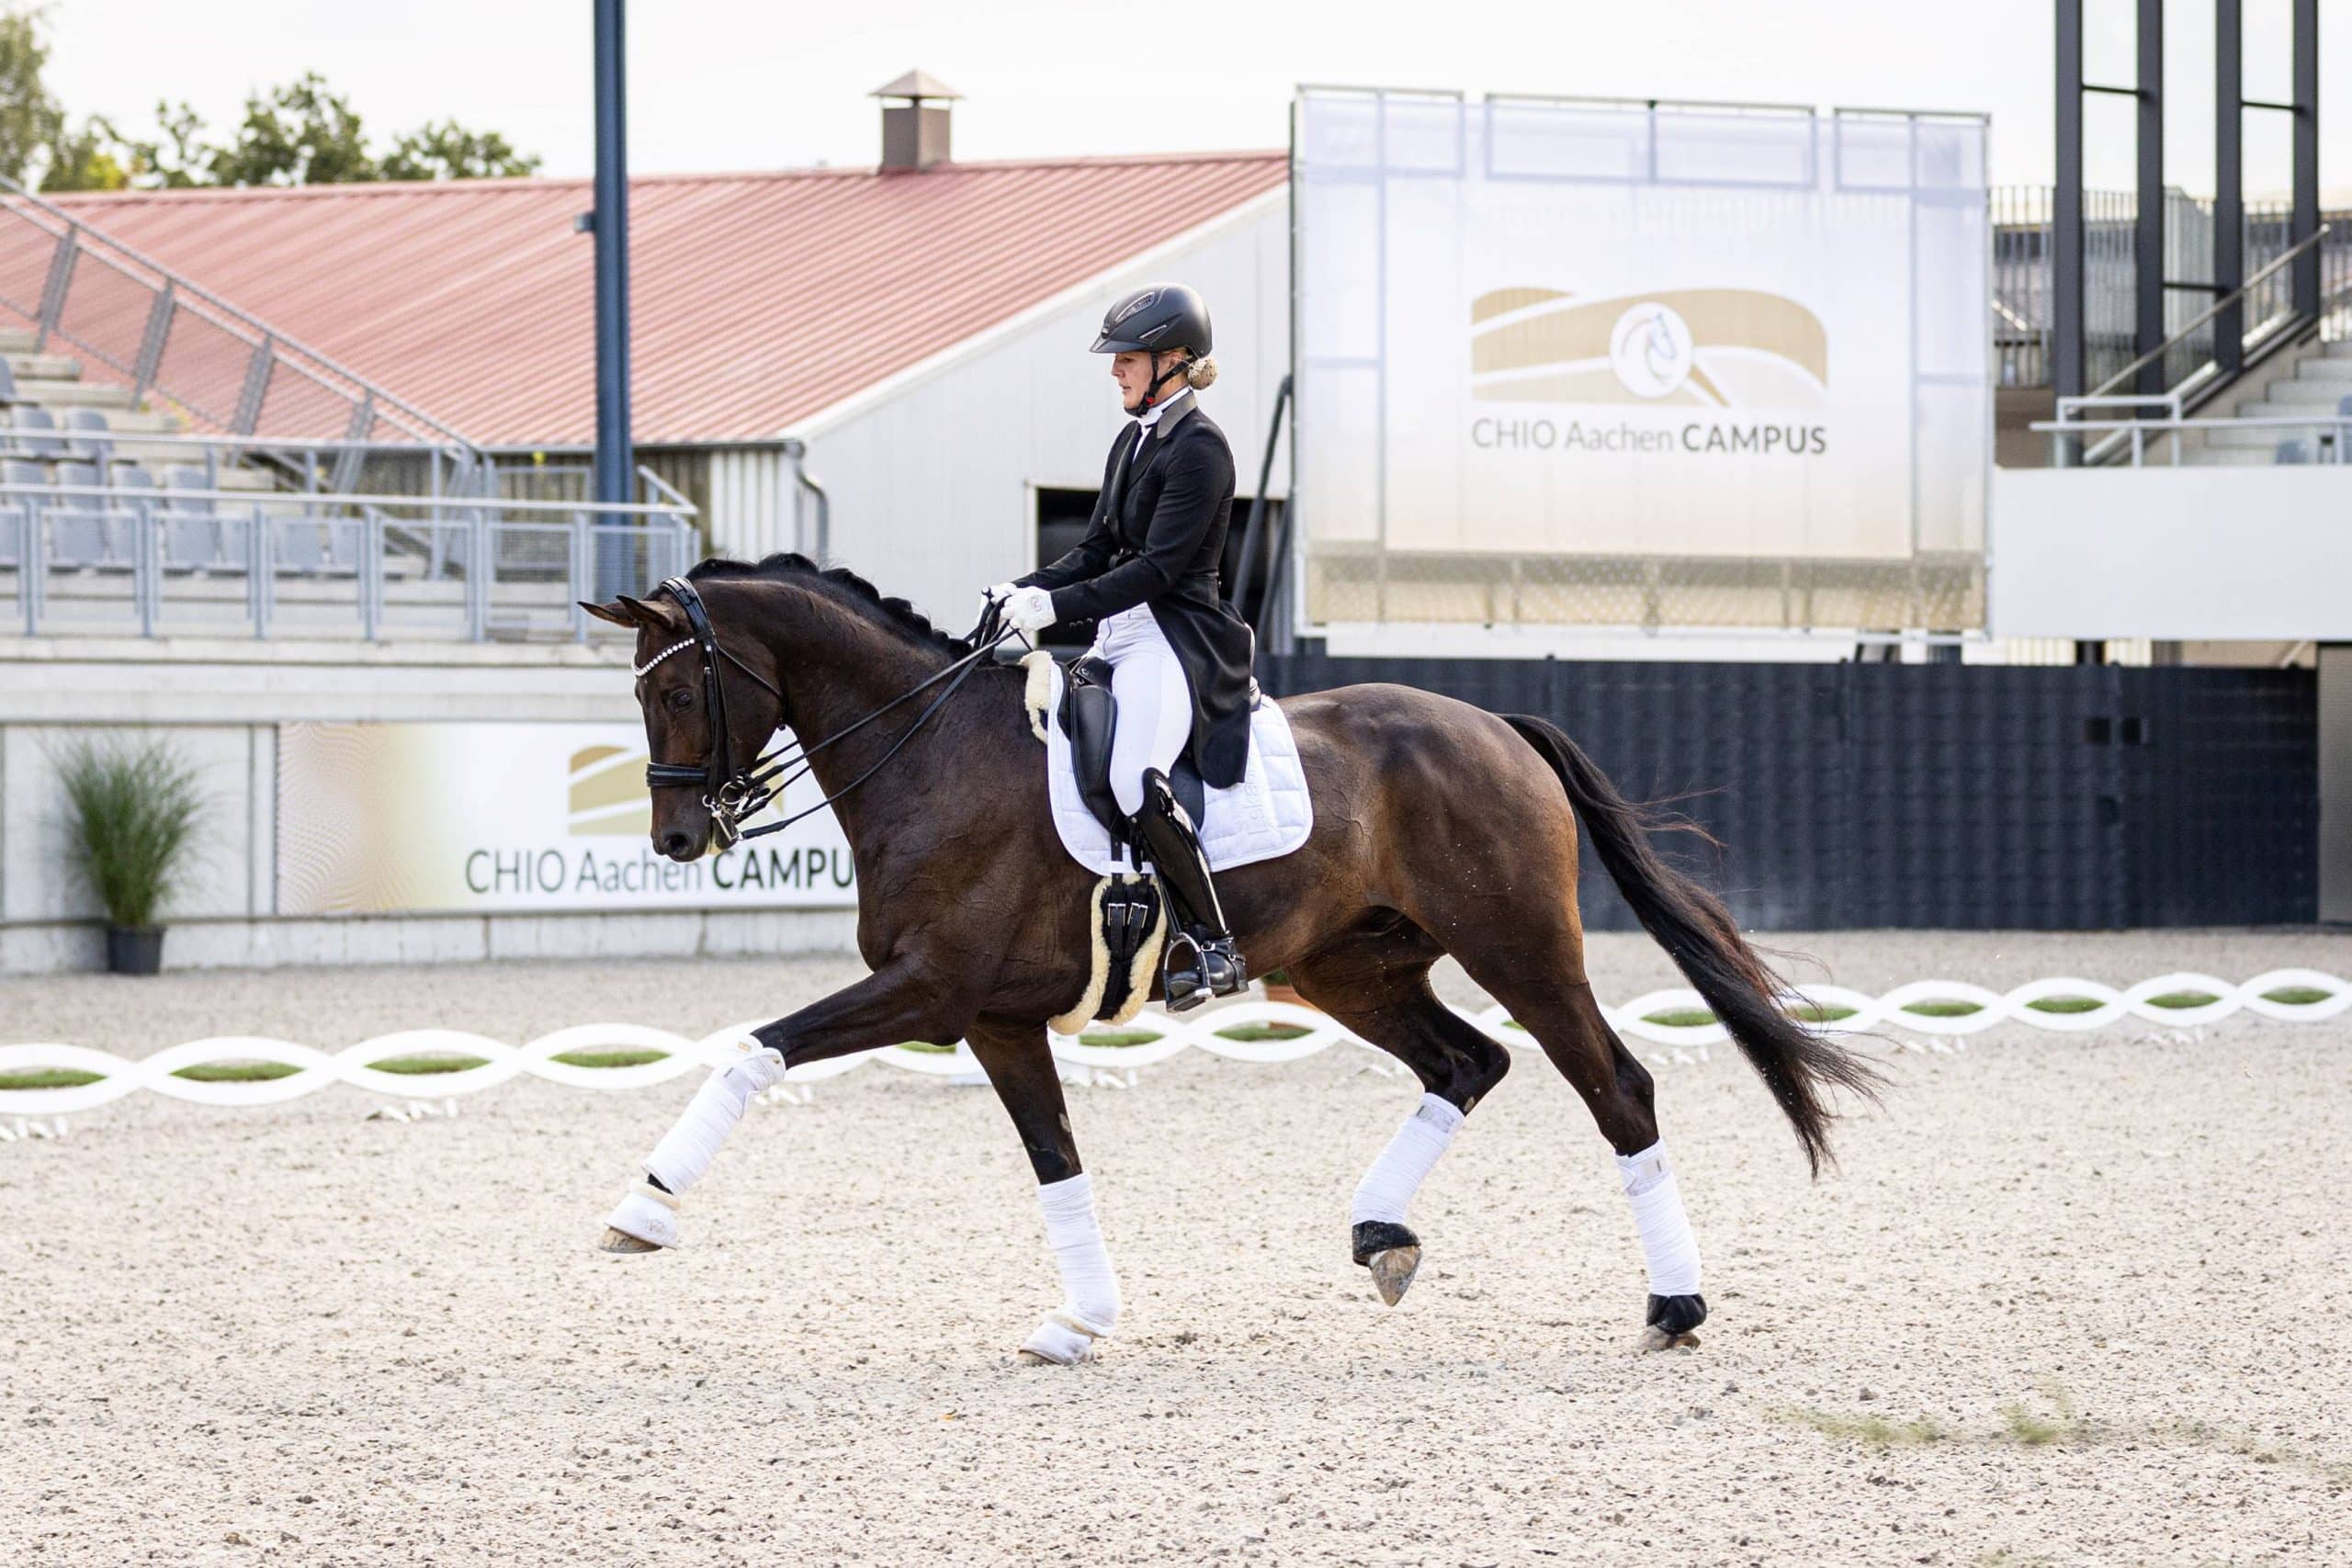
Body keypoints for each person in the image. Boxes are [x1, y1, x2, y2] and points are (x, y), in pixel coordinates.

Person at [985, 283, 1255, 1011]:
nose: (1116, 372)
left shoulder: (1201, 449)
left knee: (1136, 776)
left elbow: (1155, 570)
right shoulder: (1135, 439)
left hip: (1175, 637)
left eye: (1127, 359)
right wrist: (1024, 588)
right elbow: (1100, 547)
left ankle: (1213, 940)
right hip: (1118, 633)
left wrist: (1056, 608)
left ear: (1174, 361)